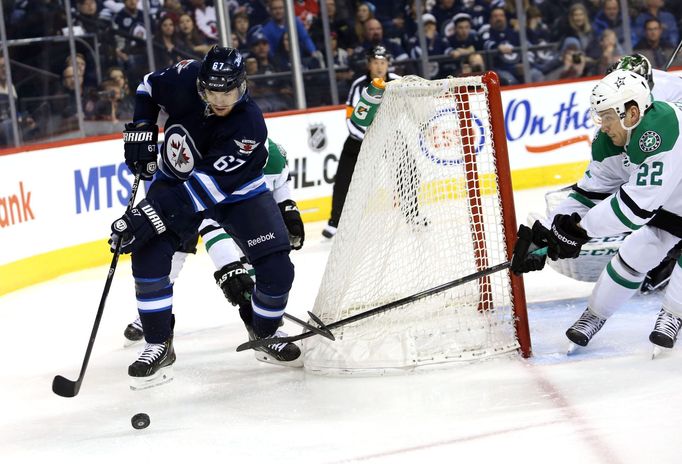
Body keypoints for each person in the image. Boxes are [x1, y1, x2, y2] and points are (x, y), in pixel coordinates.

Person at [110, 46, 302, 389]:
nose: (221, 99)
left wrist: (148, 215)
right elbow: (146, 87)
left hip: (237, 195)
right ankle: (158, 343)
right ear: (201, 85)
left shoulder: (249, 125)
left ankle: (265, 331)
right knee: (148, 257)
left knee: (276, 268)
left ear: (242, 85)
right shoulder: (184, 77)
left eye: (228, 91)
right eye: (213, 91)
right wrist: (142, 128)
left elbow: (202, 193)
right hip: (175, 182)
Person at [512, 68, 682, 354]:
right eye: (600, 116)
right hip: (673, 198)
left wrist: (578, 232)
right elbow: (589, 193)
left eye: (607, 116)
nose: (602, 125)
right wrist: (547, 229)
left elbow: (634, 210)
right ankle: (594, 315)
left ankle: (673, 315)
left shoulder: (662, 129)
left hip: (664, 197)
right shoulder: (611, 140)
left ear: (631, 113)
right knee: (639, 248)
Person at [123, 138, 305, 358]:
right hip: (186, 203)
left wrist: (289, 211)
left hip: (230, 207)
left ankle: (263, 327)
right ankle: (150, 319)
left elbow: (280, 184)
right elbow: (209, 221)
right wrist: (229, 267)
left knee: (260, 259)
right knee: (169, 258)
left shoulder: (272, 155)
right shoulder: (212, 158)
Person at [322, 45, 400, 238]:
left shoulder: (400, 83)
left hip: (390, 137)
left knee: (408, 170)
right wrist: (370, 138)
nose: (380, 67)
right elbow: (352, 119)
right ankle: (335, 221)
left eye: (383, 62)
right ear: (369, 64)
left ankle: (414, 215)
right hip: (359, 140)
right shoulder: (359, 85)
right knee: (343, 179)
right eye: (376, 62)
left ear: (388, 64)